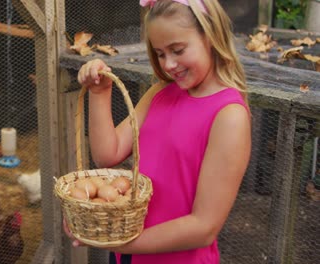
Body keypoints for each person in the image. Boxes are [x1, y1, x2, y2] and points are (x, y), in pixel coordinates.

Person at [64, 0, 252, 263]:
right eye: (161, 53)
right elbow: (108, 154)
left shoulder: (229, 116)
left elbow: (204, 227)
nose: (169, 64)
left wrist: (120, 243)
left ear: (210, 36)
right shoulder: (159, 93)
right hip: (130, 254)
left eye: (178, 50)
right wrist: (100, 92)